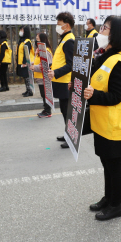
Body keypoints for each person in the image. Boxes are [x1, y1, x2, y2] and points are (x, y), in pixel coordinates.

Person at [84, 16, 121, 221]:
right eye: (103, 27)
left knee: (114, 166)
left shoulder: (118, 63)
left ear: (116, 34)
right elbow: (95, 82)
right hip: (101, 123)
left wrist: (93, 95)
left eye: (105, 28)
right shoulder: (103, 56)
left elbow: (115, 96)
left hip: (113, 126)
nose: (101, 31)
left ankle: (116, 205)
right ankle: (108, 197)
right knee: (107, 164)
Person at [48, 12, 76, 149]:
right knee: (64, 110)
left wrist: (56, 72)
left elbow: (71, 64)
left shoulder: (69, 40)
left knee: (67, 111)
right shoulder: (64, 39)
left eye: (59, 24)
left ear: (67, 25)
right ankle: (67, 134)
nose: (57, 27)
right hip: (60, 80)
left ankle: (71, 138)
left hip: (66, 82)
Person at [31, 32, 53, 118]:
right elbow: (37, 62)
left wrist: (34, 68)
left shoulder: (46, 51)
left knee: (45, 94)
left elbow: (46, 65)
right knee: (43, 94)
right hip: (39, 77)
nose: (36, 42)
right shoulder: (40, 51)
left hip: (44, 77)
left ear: (42, 40)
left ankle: (48, 111)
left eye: (38, 40)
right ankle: (46, 109)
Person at [16, 25, 34, 97]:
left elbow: (26, 52)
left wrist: (24, 62)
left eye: (22, 30)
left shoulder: (27, 41)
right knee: (25, 77)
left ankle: (30, 91)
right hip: (21, 61)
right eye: (20, 30)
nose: (20, 32)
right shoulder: (21, 41)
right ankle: (27, 90)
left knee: (27, 77)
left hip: (26, 62)